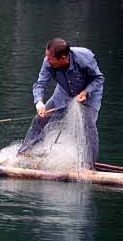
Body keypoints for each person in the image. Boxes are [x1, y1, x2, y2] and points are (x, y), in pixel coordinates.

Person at [18, 37, 104, 168]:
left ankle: (89, 166)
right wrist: (39, 103)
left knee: (88, 127)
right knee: (39, 119)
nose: (48, 60)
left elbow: (98, 79)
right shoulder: (47, 62)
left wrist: (86, 92)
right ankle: (24, 153)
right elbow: (40, 84)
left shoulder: (83, 58)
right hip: (63, 93)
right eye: (47, 56)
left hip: (89, 95)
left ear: (63, 58)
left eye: (51, 58)